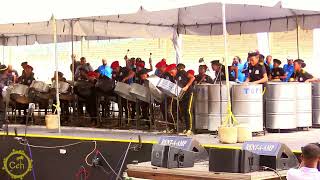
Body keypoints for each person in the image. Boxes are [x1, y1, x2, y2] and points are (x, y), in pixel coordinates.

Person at [166, 64, 195, 135]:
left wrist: (187, 86)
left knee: (188, 111)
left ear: (175, 69)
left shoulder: (182, 72)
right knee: (183, 111)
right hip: (182, 95)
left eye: (171, 72)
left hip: (189, 94)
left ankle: (190, 129)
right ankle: (187, 128)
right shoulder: (174, 77)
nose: (170, 74)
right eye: (169, 72)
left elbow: (192, 78)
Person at [0, 65, 10, 129]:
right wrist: (5, 87)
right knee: (2, 110)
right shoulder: (1, 77)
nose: (7, 72)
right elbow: (1, 86)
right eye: (6, 70)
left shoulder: (3, 77)